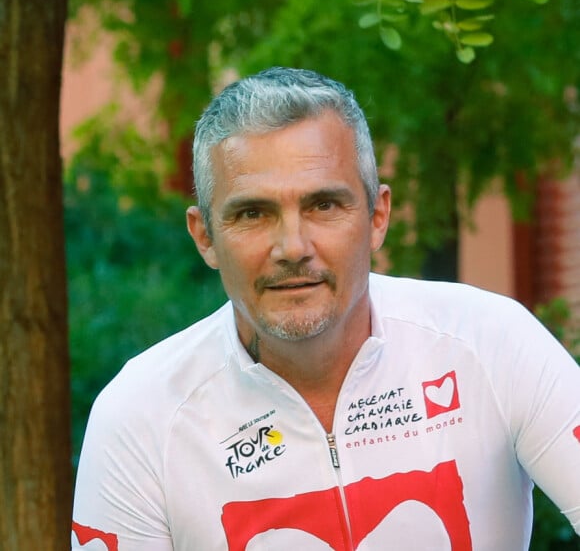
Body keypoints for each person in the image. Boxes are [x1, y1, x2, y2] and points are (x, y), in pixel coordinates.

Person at [71, 67, 580, 550]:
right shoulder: (139, 416)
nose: (292, 246)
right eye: (253, 213)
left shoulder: (492, 342)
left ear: (378, 216)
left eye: (324, 205)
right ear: (204, 236)